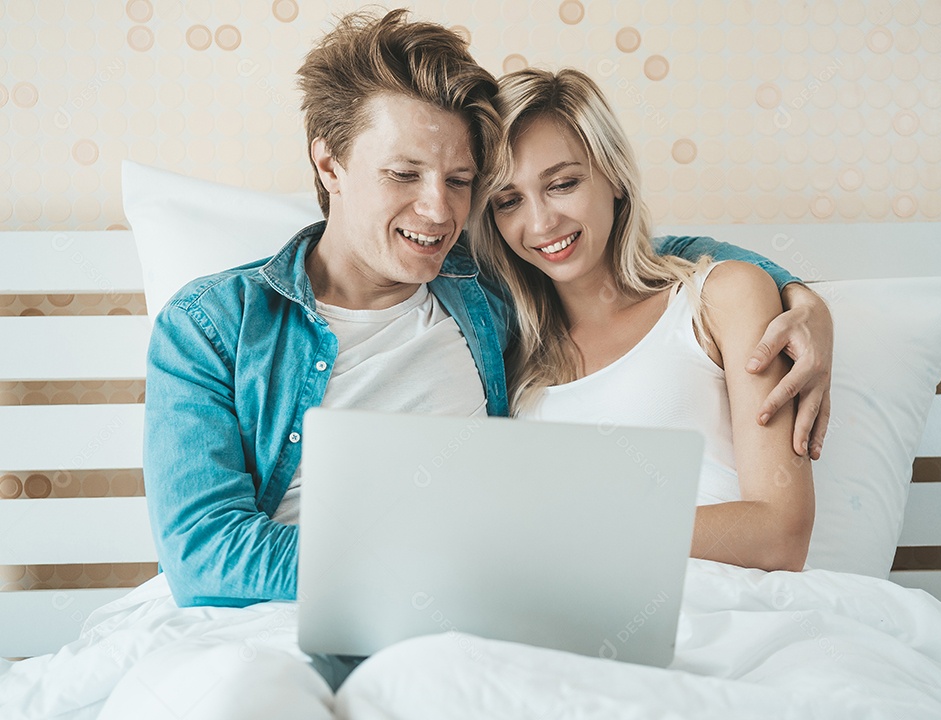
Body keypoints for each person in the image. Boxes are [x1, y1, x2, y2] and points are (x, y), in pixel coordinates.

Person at [102, 8, 832, 715]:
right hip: (280, 620)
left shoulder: (483, 291)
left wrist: (796, 292)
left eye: (459, 182)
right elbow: (204, 552)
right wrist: (427, 567)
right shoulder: (213, 324)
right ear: (330, 161)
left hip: (471, 631)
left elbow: (620, 253)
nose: (437, 212)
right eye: (404, 174)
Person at [470, 68, 815, 571]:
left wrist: (586, 534)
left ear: (613, 176)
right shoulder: (511, 360)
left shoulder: (722, 297)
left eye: (563, 184)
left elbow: (781, 537)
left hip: (730, 607)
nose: (542, 223)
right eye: (509, 201)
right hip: (571, 623)